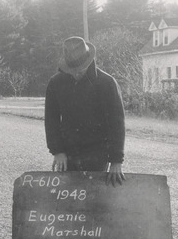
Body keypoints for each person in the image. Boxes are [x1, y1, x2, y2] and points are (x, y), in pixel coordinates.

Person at [44, 36, 126, 186]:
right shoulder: (56, 83)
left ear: (89, 62)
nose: (76, 73)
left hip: (98, 153)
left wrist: (116, 160)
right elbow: (51, 120)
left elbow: (117, 124)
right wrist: (58, 151)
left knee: (94, 199)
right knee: (66, 198)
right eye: (72, 70)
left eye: (80, 69)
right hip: (67, 152)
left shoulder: (107, 83)